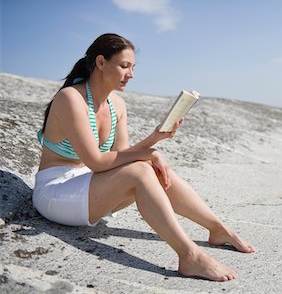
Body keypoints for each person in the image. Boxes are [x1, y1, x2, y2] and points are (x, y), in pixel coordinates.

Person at [33, 33, 255, 282]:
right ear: (101, 63)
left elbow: (122, 155)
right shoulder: (71, 98)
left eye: (133, 67)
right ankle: (190, 255)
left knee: (148, 167)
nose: (131, 75)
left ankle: (217, 229)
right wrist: (150, 154)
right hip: (56, 192)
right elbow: (97, 161)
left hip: (89, 187)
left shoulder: (117, 105)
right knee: (142, 168)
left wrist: (155, 139)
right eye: (124, 66)